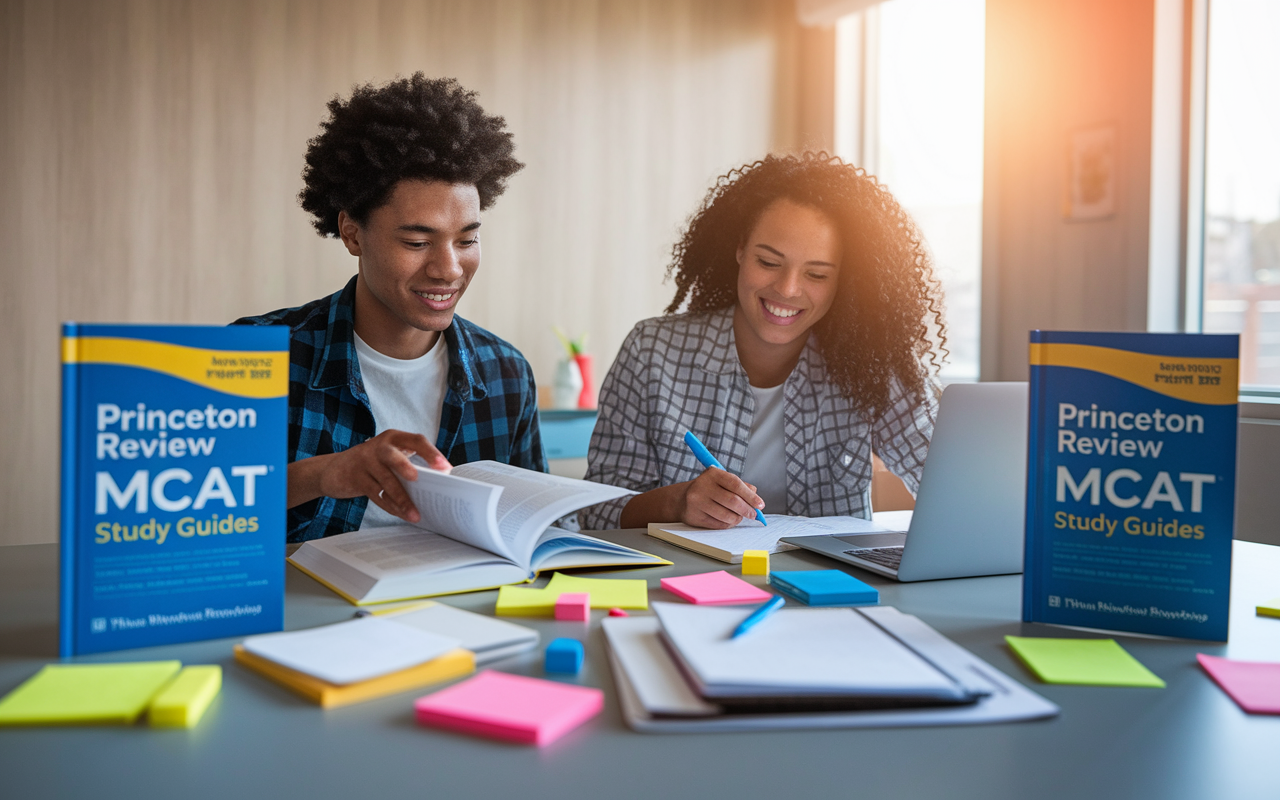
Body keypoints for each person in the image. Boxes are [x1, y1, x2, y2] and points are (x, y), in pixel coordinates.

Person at [235, 74, 545, 543]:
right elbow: (199, 511)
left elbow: (536, 527)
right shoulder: (258, 355)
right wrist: (323, 474)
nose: (448, 269)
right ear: (353, 233)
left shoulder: (506, 373)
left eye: (468, 240)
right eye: (417, 241)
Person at [579, 152, 946, 531]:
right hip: (686, 583)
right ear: (740, 250)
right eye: (768, 263)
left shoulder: (872, 363)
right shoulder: (652, 352)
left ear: (845, 280)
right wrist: (677, 502)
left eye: (817, 274)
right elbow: (595, 512)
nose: (787, 289)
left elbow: (948, 481)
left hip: (833, 587)